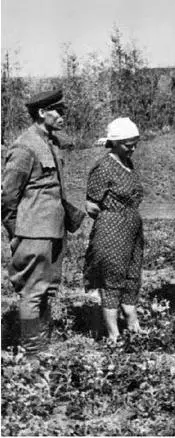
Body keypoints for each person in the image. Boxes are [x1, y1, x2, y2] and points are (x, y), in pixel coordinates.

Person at [1, 89, 85, 355]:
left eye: (62, 111)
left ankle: (43, 346)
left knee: (48, 290)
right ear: (41, 113)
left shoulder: (53, 143)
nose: (62, 116)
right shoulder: (24, 147)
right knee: (33, 293)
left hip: (54, 232)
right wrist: (19, 233)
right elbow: (7, 198)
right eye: (57, 111)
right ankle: (33, 353)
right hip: (33, 234)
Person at [84, 117, 144, 342]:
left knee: (131, 274)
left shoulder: (127, 164)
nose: (133, 148)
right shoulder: (103, 167)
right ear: (116, 143)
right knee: (112, 279)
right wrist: (112, 218)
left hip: (132, 229)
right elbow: (91, 205)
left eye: (135, 143)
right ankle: (113, 335)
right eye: (129, 144)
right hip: (111, 230)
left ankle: (132, 322)